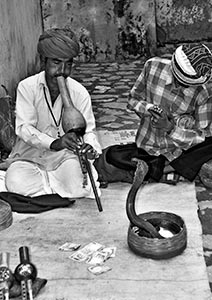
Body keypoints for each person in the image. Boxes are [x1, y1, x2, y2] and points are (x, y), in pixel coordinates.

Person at [4, 28, 102, 199]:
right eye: (56, 62)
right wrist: (55, 143)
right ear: (43, 61)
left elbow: (89, 131)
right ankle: (54, 186)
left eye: (68, 63)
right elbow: (24, 128)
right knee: (15, 182)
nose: (62, 70)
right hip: (30, 156)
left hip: (64, 158)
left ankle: (48, 188)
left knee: (82, 187)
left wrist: (90, 148)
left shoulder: (79, 92)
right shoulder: (27, 87)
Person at [105, 43, 212, 184]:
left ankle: (158, 170)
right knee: (112, 155)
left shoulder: (203, 93)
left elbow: (201, 135)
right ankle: (164, 171)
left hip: (178, 151)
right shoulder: (152, 66)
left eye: (186, 85)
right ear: (174, 70)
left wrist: (170, 128)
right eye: (179, 81)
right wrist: (148, 109)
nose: (179, 87)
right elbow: (132, 100)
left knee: (209, 144)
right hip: (147, 148)